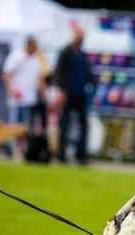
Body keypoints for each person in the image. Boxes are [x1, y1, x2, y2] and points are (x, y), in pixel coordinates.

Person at [55, 27, 92, 165]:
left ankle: (81, 155)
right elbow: (59, 73)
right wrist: (62, 91)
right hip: (68, 93)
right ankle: (61, 155)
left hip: (80, 93)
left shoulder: (82, 54)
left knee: (83, 126)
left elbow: (87, 73)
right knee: (64, 124)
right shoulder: (66, 52)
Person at [2, 37, 43, 134]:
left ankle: (25, 146)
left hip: (30, 97)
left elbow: (39, 77)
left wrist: (42, 92)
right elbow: (6, 73)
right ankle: (12, 145)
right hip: (17, 96)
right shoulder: (16, 56)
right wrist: (10, 89)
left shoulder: (35, 59)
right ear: (28, 45)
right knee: (15, 123)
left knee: (27, 124)